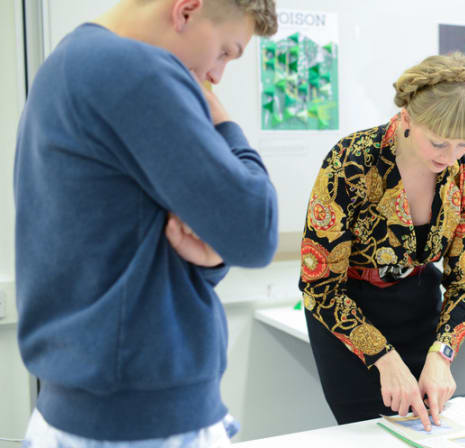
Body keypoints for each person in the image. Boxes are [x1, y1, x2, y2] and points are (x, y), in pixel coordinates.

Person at [14, 0, 278, 445]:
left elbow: (131, 238)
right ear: (187, 11)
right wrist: (226, 123)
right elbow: (257, 229)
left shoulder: (69, 63)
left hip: (91, 406)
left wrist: (212, 254)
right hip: (139, 423)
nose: (217, 76)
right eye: (225, 52)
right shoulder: (134, 70)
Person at [298, 53, 465, 429]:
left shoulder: (464, 171)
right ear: (406, 118)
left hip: (420, 304)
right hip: (348, 311)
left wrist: (441, 355)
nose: (450, 156)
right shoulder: (351, 160)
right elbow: (319, 282)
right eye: (439, 143)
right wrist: (384, 359)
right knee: (368, 432)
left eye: (463, 145)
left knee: (426, 429)